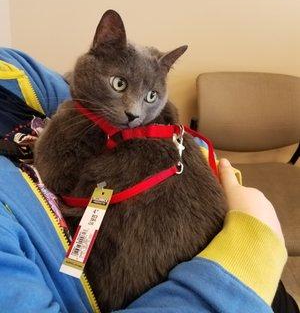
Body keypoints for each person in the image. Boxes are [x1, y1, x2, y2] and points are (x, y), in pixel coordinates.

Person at [0, 47, 297, 313]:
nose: (134, 112)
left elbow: (76, 88)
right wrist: (251, 248)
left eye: (150, 98)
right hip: (231, 286)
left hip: (236, 260)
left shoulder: (9, 68)